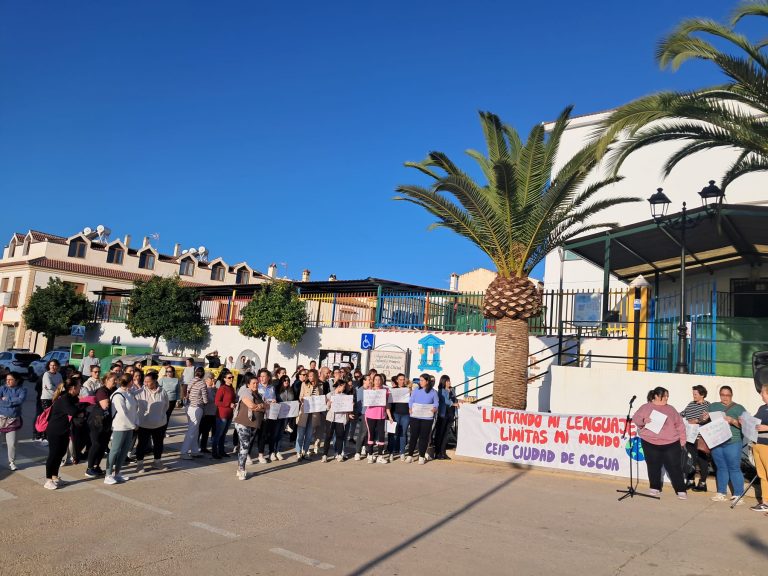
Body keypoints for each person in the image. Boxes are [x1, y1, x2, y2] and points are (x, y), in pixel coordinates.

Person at [632, 387, 688, 499]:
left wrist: (682, 441)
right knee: (653, 465)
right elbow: (636, 419)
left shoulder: (671, 409)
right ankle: (654, 487)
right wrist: (644, 421)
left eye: (668, 395)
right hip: (650, 442)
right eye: (665, 395)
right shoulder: (645, 407)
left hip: (671, 442)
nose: (667, 398)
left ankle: (681, 489)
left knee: (674, 466)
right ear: (657, 396)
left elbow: (680, 425)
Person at [704, 385, 746, 504]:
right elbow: (704, 421)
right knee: (721, 468)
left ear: (731, 395)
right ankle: (721, 492)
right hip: (717, 442)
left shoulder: (739, 408)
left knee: (734, 468)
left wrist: (733, 421)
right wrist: (705, 417)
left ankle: (738, 494)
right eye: (722, 395)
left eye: (727, 395)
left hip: (733, 442)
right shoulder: (713, 406)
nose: (725, 397)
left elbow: (745, 426)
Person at [44, 377, 86, 489]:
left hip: (64, 430)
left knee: (60, 453)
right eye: (79, 386)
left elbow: (79, 408)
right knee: (53, 455)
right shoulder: (64, 399)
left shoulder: (72, 398)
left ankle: (55, 477)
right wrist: (81, 409)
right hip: (55, 430)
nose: (80, 388)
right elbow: (74, 411)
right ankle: (48, 480)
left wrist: (81, 408)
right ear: (73, 388)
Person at [104, 375, 138, 485]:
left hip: (129, 426)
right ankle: (108, 474)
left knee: (124, 450)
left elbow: (134, 410)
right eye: (132, 380)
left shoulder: (129, 394)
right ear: (129, 382)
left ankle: (117, 473)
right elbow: (122, 413)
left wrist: (135, 423)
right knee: (115, 450)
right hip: (119, 426)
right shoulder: (118, 395)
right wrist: (133, 425)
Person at [134, 371, 170, 473]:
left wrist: (160, 416)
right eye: (144, 381)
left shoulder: (162, 392)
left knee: (159, 444)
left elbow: (166, 406)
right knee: (142, 444)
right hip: (144, 424)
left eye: (148, 381)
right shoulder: (140, 392)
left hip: (160, 424)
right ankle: (140, 464)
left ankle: (157, 461)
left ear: (154, 381)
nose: (146, 383)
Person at [85, 372, 118, 478]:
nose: (116, 382)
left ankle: (96, 466)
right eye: (114, 380)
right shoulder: (102, 390)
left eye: (116, 380)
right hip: (97, 421)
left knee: (103, 445)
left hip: (107, 422)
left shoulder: (114, 390)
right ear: (106, 380)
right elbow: (105, 405)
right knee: (96, 444)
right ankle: (89, 468)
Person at [233, 374, 265, 480]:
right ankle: (241, 470)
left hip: (253, 424)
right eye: (253, 383)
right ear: (248, 384)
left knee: (246, 446)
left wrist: (260, 406)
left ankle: (241, 469)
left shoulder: (257, 394)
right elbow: (251, 406)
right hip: (243, 423)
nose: (256, 385)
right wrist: (261, 406)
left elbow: (266, 406)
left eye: (257, 383)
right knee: (245, 446)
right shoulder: (245, 392)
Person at [679, 385, 711, 491]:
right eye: (693, 394)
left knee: (702, 460)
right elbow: (683, 414)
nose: (694, 396)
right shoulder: (691, 404)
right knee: (690, 459)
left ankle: (702, 483)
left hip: (701, 437)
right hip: (690, 437)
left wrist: (697, 420)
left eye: (695, 394)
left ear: (702, 394)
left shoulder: (708, 406)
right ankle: (690, 481)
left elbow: (708, 418)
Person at [405, 374, 439, 464]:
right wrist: (410, 408)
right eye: (420, 380)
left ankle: (421, 456)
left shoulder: (433, 392)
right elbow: (411, 400)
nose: (420, 382)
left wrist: (434, 408)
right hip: (415, 416)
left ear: (427, 381)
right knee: (413, 436)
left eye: (422, 380)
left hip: (427, 418)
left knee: (423, 437)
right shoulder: (416, 390)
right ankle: (410, 455)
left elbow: (436, 403)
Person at [0, 372, 27, 471]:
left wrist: (5, 400)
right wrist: (11, 402)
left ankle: (11, 462)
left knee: (12, 444)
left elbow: (20, 400)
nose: (8, 381)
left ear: (17, 380)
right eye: (7, 379)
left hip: (13, 420)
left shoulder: (22, 390)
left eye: (10, 379)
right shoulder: (2, 388)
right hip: (0, 418)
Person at [365, 373, 393, 464]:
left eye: (379, 379)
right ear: (373, 381)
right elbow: (366, 402)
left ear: (382, 381)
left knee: (381, 435)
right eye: (376, 379)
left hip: (381, 416)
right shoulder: (369, 390)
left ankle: (380, 456)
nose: (377, 381)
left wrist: (389, 416)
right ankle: (370, 455)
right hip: (370, 415)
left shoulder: (386, 390)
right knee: (371, 435)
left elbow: (387, 405)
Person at [180, 367, 208, 459]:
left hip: (188, 406)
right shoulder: (202, 384)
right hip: (197, 408)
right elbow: (205, 399)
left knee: (195, 430)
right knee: (192, 431)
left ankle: (194, 450)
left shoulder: (191, 381)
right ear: (203, 374)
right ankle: (184, 452)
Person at [296, 368, 323, 460]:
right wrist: (302, 399)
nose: (310, 377)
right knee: (301, 433)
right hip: (304, 411)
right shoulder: (304, 384)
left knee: (309, 434)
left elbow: (321, 399)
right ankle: (298, 451)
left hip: (314, 413)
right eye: (309, 376)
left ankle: (305, 451)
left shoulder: (320, 386)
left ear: (315, 376)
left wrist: (317, 388)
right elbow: (300, 396)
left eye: (311, 376)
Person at [750, 383, 768, 512]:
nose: (761, 395)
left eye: (763, 392)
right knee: (762, 475)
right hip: (757, 444)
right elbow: (754, 421)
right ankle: (765, 502)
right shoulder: (762, 408)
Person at [322, 380, 350, 462]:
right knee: (328, 437)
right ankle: (325, 455)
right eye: (343, 386)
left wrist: (350, 407)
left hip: (341, 419)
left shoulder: (345, 396)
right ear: (339, 386)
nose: (344, 388)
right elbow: (325, 407)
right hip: (331, 418)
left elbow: (347, 408)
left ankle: (339, 454)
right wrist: (329, 403)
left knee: (340, 436)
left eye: (345, 387)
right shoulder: (330, 395)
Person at [37, 359, 62, 443]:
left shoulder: (59, 375)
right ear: (48, 366)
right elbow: (49, 386)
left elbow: (61, 386)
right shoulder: (46, 374)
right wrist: (57, 388)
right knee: (47, 417)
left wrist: (57, 389)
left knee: (54, 417)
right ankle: (43, 437)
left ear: (57, 366)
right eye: (51, 365)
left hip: (56, 398)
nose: (53, 367)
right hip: (46, 398)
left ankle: (50, 435)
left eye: (54, 365)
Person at [213, 372, 236, 459]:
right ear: (224, 379)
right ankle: (215, 452)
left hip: (229, 414)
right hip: (222, 415)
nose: (231, 379)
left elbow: (232, 399)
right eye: (229, 377)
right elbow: (217, 402)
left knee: (223, 434)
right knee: (218, 434)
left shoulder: (231, 388)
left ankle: (221, 451)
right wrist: (228, 404)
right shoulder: (222, 388)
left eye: (232, 377)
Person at [255, 369, 277, 463]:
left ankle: (261, 454)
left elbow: (274, 397)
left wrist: (274, 401)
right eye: (261, 376)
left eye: (264, 376)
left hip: (269, 414)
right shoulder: (257, 386)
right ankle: (246, 454)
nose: (262, 378)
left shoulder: (272, 387)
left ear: (268, 377)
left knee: (263, 435)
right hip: (258, 413)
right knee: (254, 434)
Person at [434, 375, 457, 460]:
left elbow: (455, 399)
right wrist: (453, 403)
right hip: (443, 414)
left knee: (446, 435)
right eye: (447, 381)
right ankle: (437, 453)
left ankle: (443, 453)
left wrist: (458, 401)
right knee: (440, 434)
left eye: (449, 381)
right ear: (443, 382)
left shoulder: (452, 390)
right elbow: (445, 400)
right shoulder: (441, 391)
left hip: (450, 414)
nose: (449, 383)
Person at [388, 373, 410, 459]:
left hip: (406, 415)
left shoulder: (408, 389)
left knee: (403, 433)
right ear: (397, 380)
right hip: (395, 414)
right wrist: (389, 416)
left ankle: (402, 452)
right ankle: (391, 452)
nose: (402, 381)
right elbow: (389, 403)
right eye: (400, 379)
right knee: (394, 433)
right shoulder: (393, 390)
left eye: (403, 379)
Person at [272, 374, 294, 460]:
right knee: (275, 433)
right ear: (281, 381)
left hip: (286, 415)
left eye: (288, 380)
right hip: (278, 414)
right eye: (285, 380)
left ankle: (278, 451)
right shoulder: (277, 390)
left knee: (281, 434)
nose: (286, 382)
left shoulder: (290, 390)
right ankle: (272, 451)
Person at [198, 372, 218, 454]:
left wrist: (215, 390)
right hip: (205, 413)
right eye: (211, 378)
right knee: (200, 430)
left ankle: (203, 447)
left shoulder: (214, 389)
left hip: (213, 413)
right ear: (206, 380)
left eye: (214, 378)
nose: (213, 380)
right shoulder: (204, 389)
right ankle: (195, 446)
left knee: (206, 431)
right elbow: (208, 400)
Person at [158, 366, 180, 436]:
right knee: (161, 415)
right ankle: (159, 430)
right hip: (163, 399)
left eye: (169, 371)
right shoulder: (162, 379)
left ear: (173, 372)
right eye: (167, 371)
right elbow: (158, 388)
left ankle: (164, 431)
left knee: (167, 416)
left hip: (172, 400)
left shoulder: (176, 380)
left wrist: (178, 400)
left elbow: (178, 391)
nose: (168, 373)